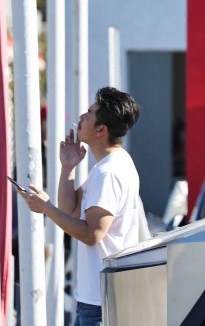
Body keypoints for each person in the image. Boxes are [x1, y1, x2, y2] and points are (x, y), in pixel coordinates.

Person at [19, 86, 142, 326]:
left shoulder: (108, 172)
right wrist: (68, 167)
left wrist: (46, 209)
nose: (82, 117)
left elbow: (91, 233)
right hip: (96, 299)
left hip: (100, 304)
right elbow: (71, 211)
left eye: (89, 112)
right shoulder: (110, 165)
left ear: (101, 130)